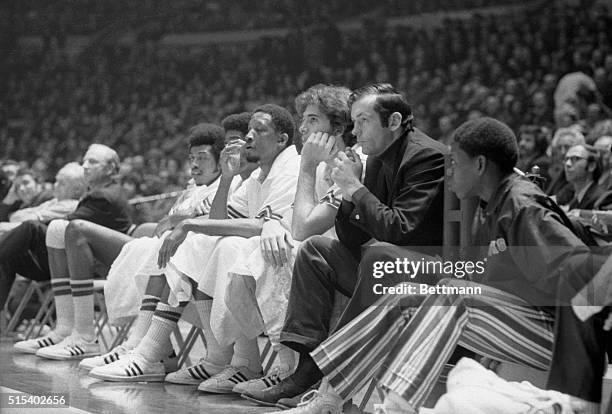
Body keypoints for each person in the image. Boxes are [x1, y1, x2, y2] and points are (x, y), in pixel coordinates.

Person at [270, 117, 601, 414]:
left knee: (450, 294)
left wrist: (581, 385)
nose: (450, 171)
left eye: (456, 163)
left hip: (559, 336)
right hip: (523, 321)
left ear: (482, 165)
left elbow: (581, 276)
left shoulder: (522, 205)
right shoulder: (491, 205)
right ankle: (328, 398)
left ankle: (395, 408)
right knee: (405, 295)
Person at [243, 83, 447, 406]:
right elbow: (353, 236)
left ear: (393, 122)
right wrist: (351, 192)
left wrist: (354, 188)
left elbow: (401, 230)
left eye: (363, 121)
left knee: (379, 255)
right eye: (354, 122)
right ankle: (306, 367)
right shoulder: (376, 159)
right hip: (390, 270)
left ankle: (326, 387)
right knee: (315, 250)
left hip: (433, 272)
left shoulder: (427, 156)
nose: (356, 131)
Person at [88, 104, 300, 389]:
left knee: (212, 244)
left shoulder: (290, 168)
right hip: (265, 257)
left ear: (283, 139)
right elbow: (218, 221)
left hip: (295, 260)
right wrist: (226, 178)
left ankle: (162, 353)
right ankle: (193, 355)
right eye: (247, 131)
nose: (248, 138)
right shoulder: (258, 175)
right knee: (203, 243)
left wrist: (189, 225)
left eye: (258, 131)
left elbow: (264, 226)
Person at [76, 116, 254, 371]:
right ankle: (149, 348)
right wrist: (177, 222)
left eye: (202, 157)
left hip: (222, 269)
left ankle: (147, 350)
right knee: (156, 249)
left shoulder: (237, 181)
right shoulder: (204, 186)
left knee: (172, 248)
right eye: (191, 158)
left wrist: (180, 222)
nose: (194, 164)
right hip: (198, 272)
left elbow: (212, 224)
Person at [219, 84, 364, 395]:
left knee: (274, 253)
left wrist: (308, 166)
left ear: (337, 126)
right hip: (324, 253)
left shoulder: (349, 160)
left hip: (353, 257)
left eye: (312, 120)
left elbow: (303, 228)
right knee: (257, 249)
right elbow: (293, 221)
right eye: (303, 119)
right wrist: (273, 223)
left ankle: (288, 371)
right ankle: (280, 367)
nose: (303, 127)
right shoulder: (324, 162)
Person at [12, 144, 132, 356]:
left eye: (93, 162)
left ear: (111, 169)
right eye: (84, 161)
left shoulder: (104, 196)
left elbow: (74, 229)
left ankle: (85, 335)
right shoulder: (99, 193)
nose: (85, 166)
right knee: (57, 228)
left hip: (107, 267)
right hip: (89, 262)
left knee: (60, 227)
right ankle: (65, 329)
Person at [0, 163, 86, 235]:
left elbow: (29, 223)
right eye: (56, 181)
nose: (55, 185)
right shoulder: (54, 201)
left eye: (62, 183)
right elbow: (13, 218)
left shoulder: (53, 198)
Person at [564, 144, 605, 210]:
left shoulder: (599, 199)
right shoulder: (567, 193)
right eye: (566, 159)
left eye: (576, 159)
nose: (567, 164)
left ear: (591, 166)